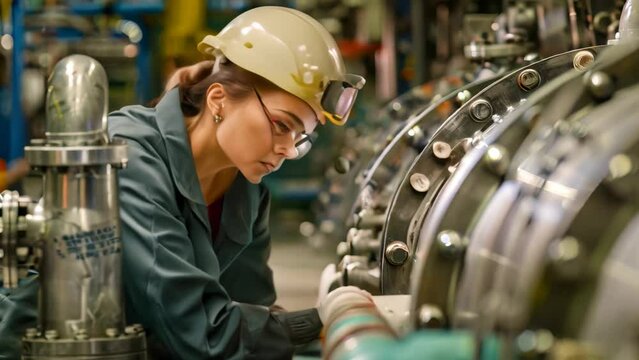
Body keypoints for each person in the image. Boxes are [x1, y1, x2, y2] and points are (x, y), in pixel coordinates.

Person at [0, 6, 370, 359]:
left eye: (301, 137)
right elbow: (199, 333)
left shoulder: (246, 190)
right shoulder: (128, 160)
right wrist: (324, 318)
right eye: (281, 125)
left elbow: (253, 316)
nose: (288, 149)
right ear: (218, 99)